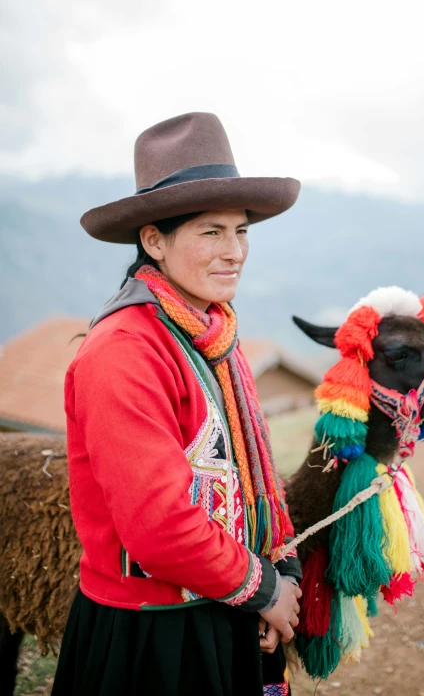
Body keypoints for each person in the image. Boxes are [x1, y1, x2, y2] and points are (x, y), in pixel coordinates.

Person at [51, 113, 302, 696]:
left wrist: (277, 566)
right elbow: (158, 527)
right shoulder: (123, 352)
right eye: (210, 232)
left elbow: (246, 475)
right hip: (154, 635)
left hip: (224, 598)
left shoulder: (212, 334)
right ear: (154, 241)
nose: (235, 250)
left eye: (241, 231)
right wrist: (263, 588)